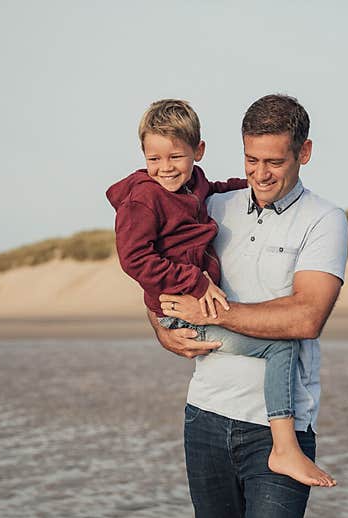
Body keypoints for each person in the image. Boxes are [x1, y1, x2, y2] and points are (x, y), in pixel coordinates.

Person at [150, 94, 348, 518]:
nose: (261, 174)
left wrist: (212, 313)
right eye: (251, 160)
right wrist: (160, 325)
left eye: (275, 162)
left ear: (304, 153)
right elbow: (156, 264)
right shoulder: (213, 207)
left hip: (279, 429)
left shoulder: (324, 220)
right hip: (205, 419)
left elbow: (307, 316)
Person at [106, 98, 335, 488]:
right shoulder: (144, 199)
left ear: (199, 152)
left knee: (287, 340)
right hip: (204, 403)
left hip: (238, 386)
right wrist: (167, 321)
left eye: (175, 157)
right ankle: (285, 447)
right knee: (280, 345)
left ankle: (283, 445)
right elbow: (136, 261)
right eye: (154, 159)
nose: (164, 169)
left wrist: (239, 187)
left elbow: (307, 318)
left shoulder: (203, 191)